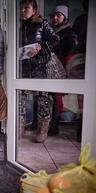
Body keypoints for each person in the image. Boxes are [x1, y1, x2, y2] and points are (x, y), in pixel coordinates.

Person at [19, 0, 59, 143]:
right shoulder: (17, 25)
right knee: (20, 99)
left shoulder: (42, 24)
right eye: (21, 8)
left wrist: (41, 47)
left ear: (34, 10)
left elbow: (56, 40)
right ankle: (19, 128)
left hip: (39, 67)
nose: (22, 10)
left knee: (42, 99)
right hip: (21, 68)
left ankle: (43, 130)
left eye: (26, 8)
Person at [48, 4, 79, 135]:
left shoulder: (69, 33)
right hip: (49, 69)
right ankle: (43, 124)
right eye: (53, 15)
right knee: (46, 97)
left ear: (65, 17)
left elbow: (71, 51)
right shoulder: (51, 30)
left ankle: (54, 127)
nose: (55, 18)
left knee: (56, 98)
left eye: (58, 15)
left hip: (59, 70)